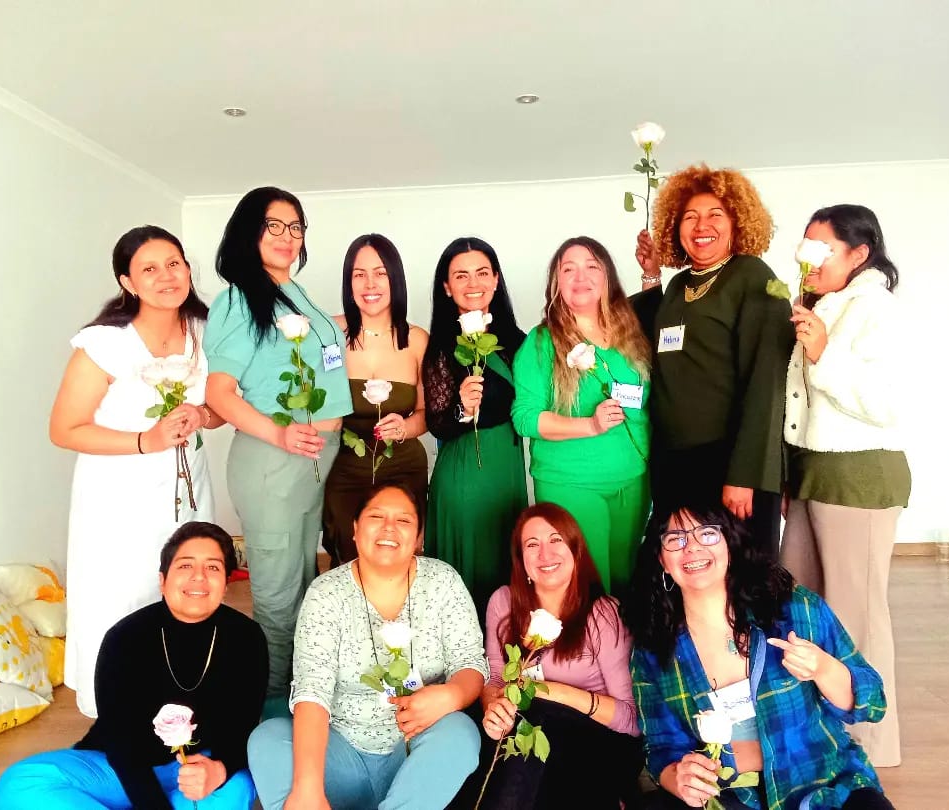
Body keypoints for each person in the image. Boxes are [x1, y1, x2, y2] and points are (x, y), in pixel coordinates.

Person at [50, 225, 222, 718]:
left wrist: (200, 415)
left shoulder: (206, 332)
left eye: (174, 264)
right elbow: (64, 429)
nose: (166, 276)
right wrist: (146, 440)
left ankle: (181, 704)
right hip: (116, 494)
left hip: (187, 488)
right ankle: (118, 710)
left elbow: (223, 407)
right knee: (123, 593)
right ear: (128, 282)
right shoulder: (105, 344)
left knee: (188, 586)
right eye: (149, 269)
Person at [625, 504, 894, 810]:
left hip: (822, 786)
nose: (693, 547)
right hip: (729, 797)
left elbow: (873, 704)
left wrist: (823, 668)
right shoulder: (653, 650)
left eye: (708, 534)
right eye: (676, 539)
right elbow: (662, 746)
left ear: (730, 545)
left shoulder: (795, 610)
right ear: (662, 560)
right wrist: (678, 778)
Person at [0, 522, 268, 810]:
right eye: (185, 565)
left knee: (237, 786)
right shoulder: (125, 637)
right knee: (21, 783)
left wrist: (219, 770)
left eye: (212, 567)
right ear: (163, 580)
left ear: (226, 583)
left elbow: (243, 729)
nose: (199, 576)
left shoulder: (246, 638)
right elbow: (120, 743)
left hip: (195, 773)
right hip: (117, 773)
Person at [247, 484, 487, 810]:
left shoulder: (443, 582)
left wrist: (453, 694)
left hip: (416, 758)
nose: (389, 527)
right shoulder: (326, 593)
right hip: (340, 756)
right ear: (356, 529)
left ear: (418, 537)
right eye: (376, 517)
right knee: (267, 741)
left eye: (403, 520)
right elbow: (312, 690)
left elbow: (470, 661)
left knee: (460, 733)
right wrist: (307, 788)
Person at [204, 187, 352, 702]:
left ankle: (304, 700)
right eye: (274, 225)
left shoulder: (296, 294)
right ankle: (270, 712)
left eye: (296, 227)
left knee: (306, 583)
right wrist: (279, 433)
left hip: (313, 457)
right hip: (274, 457)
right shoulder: (238, 300)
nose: (288, 237)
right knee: (278, 596)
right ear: (249, 231)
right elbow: (218, 393)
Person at [779, 204, 909, 768]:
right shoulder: (821, 305)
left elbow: (884, 404)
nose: (810, 258)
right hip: (813, 474)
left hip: (859, 476)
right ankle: (818, 734)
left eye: (823, 248)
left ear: (859, 253)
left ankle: (870, 745)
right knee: (803, 604)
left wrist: (823, 352)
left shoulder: (876, 308)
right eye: (805, 246)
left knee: (857, 615)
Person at [631, 165, 793, 558]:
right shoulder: (679, 285)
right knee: (684, 567)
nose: (702, 226)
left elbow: (766, 382)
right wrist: (651, 275)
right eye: (690, 217)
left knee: (741, 574)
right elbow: (651, 338)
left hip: (730, 464)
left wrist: (745, 474)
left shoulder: (753, 278)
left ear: (737, 222)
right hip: (675, 463)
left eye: (715, 215)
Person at [468, 503, 642, 809]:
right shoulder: (503, 603)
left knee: (539, 717)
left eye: (556, 540)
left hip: (599, 740)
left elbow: (631, 719)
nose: (545, 554)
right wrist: (493, 708)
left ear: (576, 550)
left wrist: (549, 692)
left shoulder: (603, 613)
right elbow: (495, 678)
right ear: (520, 559)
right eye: (532, 545)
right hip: (527, 740)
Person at [512, 236, 651, 596]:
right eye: (568, 269)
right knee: (589, 589)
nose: (580, 277)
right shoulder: (541, 343)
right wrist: (590, 425)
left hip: (633, 481)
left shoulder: (632, 335)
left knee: (625, 585)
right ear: (555, 282)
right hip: (572, 483)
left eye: (592, 267)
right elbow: (525, 418)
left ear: (607, 277)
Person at [422, 237, 527, 615]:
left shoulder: (519, 342)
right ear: (447, 287)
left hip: (508, 475)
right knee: (467, 583)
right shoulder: (441, 347)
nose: (473, 283)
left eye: (482, 272)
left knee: (508, 575)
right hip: (465, 478)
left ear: (496, 279)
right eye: (461, 275)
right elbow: (436, 424)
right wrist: (462, 409)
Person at [323, 234, 429, 565]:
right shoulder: (329, 334)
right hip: (344, 467)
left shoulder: (416, 339)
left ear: (395, 278)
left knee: (398, 559)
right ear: (349, 282)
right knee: (349, 556)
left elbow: (427, 412)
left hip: (403, 466)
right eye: (359, 274)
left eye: (380, 273)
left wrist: (406, 428)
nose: (370, 283)